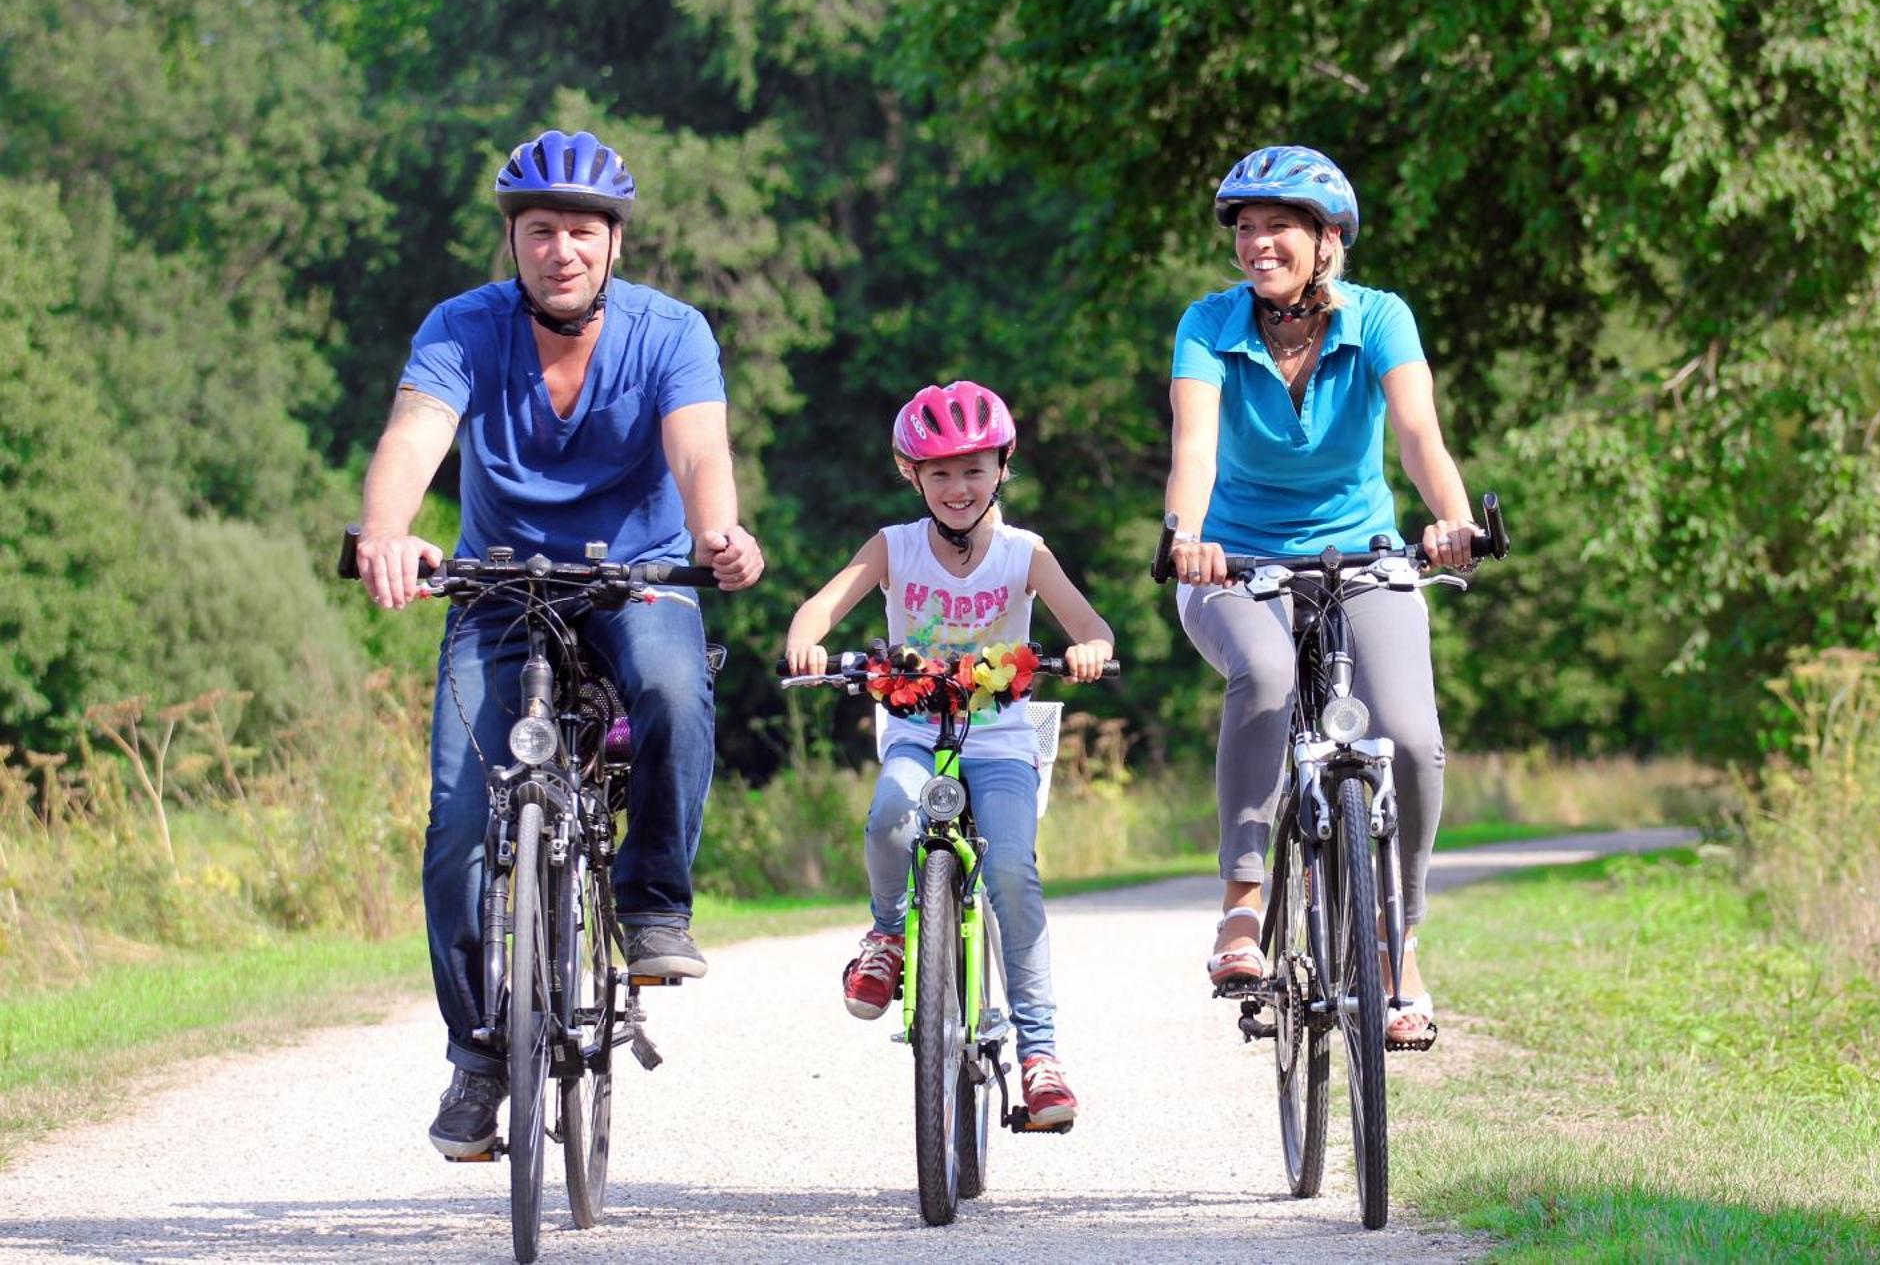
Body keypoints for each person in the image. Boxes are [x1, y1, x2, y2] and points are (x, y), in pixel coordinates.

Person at [353, 129, 764, 1156]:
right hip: (497, 585)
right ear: (514, 240)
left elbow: (697, 445)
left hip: (638, 576)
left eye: (582, 229)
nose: (562, 248)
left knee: (672, 692)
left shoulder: (670, 332)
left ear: (613, 241)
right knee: (455, 823)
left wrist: (717, 530)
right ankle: (477, 1052)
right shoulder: (462, 327)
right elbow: (413, 435)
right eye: (540, 230)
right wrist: (387, 535)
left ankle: (654, 901)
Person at [1162, 145, 1476, 1047]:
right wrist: (1186, 536)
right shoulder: (1208, 325)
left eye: (1278, 227)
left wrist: (1451, 523)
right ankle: (1243, 899)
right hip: (1235, 565)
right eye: (1246, 228)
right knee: (1261, 671)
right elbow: (1196, 449)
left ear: (1327, 239)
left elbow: (1417, 433)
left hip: (1363, 560)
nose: (1258, 244)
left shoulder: (1381, 318)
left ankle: (1398, 939)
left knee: (1411, 738)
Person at [784, 381, 1115, 1125]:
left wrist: (1090, 649)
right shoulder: (894, 546)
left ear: (1002, 464)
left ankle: (1041, 1054)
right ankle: (883, 934)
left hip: (999, 736)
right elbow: (821, 605)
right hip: (913, 728)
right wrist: (807, 638)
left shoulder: (1024, 552)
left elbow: (1089, 623)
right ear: (912, 476)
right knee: (889, 816)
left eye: (973, 469)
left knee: (1010, 872)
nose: (958, 487)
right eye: (939, 473)